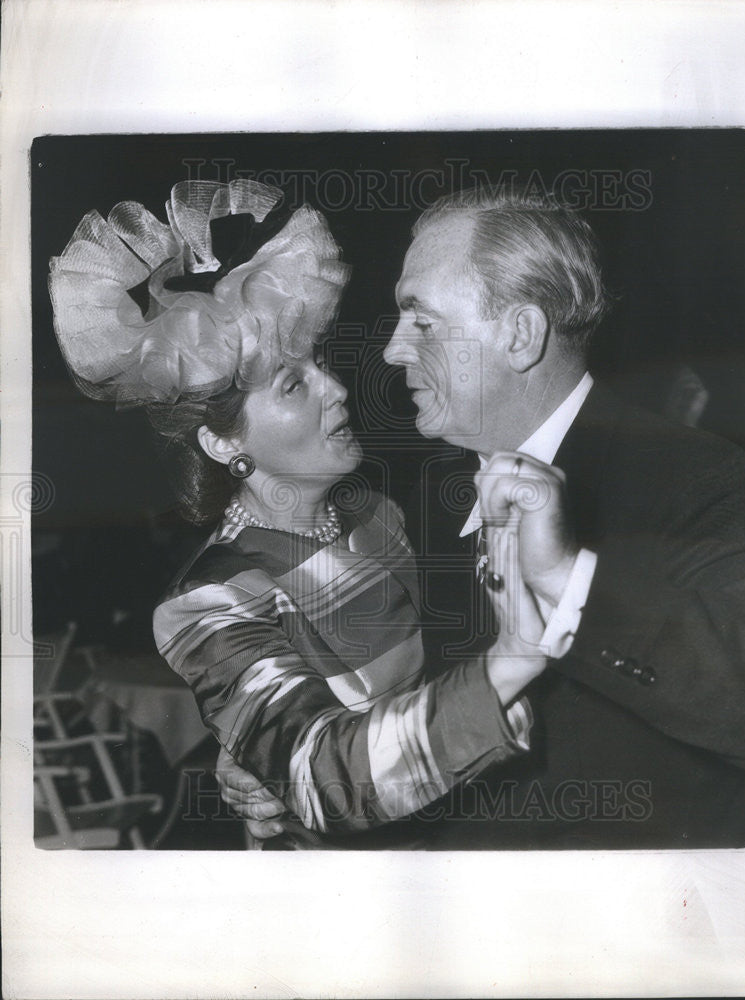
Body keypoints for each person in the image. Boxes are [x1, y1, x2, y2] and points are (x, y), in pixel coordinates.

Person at [222, 186, 745, 849]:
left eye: (421, 320)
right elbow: (383, 699)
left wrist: (566, 578)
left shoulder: (701, 480)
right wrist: (275, 759)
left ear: (520, 334)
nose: (391, 350)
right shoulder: (422, 499)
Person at [48, 178, 553, 849]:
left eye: (318, 366)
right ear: (224, 440)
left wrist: (249, 751)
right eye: (294, 384)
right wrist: (272, 755)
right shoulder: (210, 601)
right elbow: (321, 773)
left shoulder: (378, 516)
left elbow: (439, 667)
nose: (338, 389)